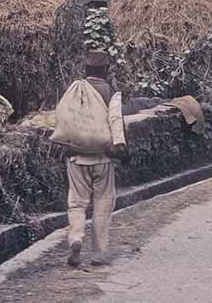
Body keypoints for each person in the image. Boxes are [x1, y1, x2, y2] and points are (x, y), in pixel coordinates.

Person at [65, 50, 127, 267]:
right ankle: (98, 254)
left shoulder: (76, 89)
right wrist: (120, 146)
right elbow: (115, 120)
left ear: (86, 69)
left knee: (76, 202)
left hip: (77, 154)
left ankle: (76, 238)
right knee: (103, 203)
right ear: (106, 69)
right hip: (102, 156)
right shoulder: (111, 92)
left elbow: (65, 117)